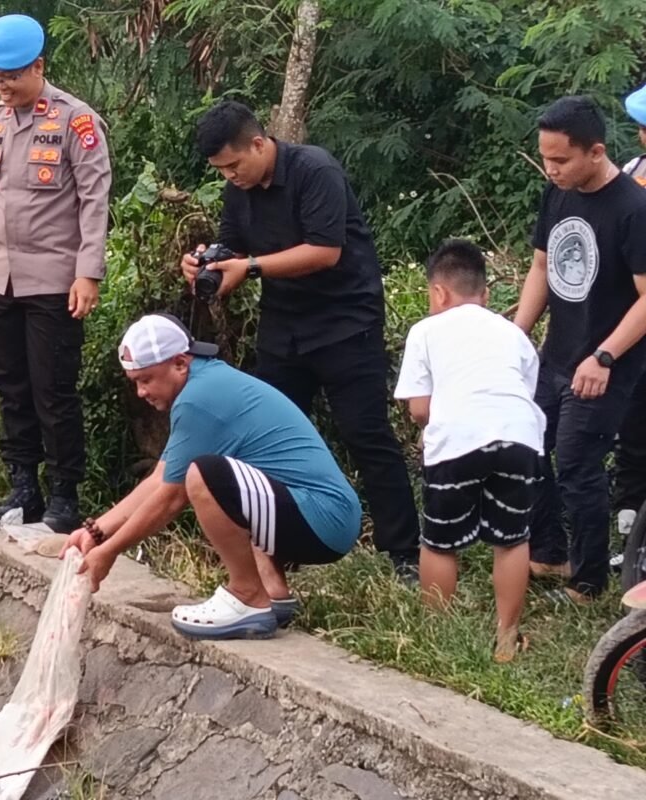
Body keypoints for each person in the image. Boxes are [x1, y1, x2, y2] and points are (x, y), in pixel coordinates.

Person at [181, 100, 421, 581]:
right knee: (269, 439)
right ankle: (276, 546)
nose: (231, 177)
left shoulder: (315, 170)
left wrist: (247, 267)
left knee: (365, 434)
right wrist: (206, 260)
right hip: (284, 327)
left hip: (345, 323)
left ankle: (405, 553)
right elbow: (235, 245)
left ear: (258, 142)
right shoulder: (238, 190)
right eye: (220, 172)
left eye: (234, 165)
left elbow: (325, 251)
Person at [62, 314, 360, 639]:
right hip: (322, 514)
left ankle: (247, 597)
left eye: (146, 379)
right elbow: (160, 478)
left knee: (205, 475)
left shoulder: (198, 399)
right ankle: (272, 591)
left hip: (323, 519)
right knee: (221, 474)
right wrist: (97, 531)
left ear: (179, 363)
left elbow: (171, 497)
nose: (141, 392)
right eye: (134, 381)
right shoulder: (205, 382)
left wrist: (109, 552)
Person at [0, 14, 112, 533]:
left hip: (54, 280)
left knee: (54, 391)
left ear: (39, 67)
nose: (1, 86)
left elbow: (95, 202)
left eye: (10, 76)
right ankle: (23, 486)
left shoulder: (75, 120)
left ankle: (64, 497)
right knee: (11, 387)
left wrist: (88, 272)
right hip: (0, 279)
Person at [513, 96, 646, 602]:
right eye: (545, 158)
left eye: (560, 160)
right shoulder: (557, 193)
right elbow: (543, 268)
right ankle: (550, 551)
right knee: (527, 447)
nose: (551, 169)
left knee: (575, 463)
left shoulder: (633, 209)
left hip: (608, 363)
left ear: (596, 152)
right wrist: (517, 332)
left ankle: (588, 580)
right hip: (556, 355)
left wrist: (605, 356)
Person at [395, 240, 544, 662]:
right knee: (512, 541)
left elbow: (420, 408)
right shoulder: (512, 333)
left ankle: (437, 636)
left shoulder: (426, 330)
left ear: (438, 293)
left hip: (458, 441)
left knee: (440, 543)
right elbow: (518, 393)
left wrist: (429, 428)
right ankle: (506, 638)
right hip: (520, 439)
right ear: (485, 294)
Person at [611, 83, 646, 537]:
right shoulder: (632, 173)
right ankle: (628, 526)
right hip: (634, 318)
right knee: (633, 422)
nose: (641, 136)